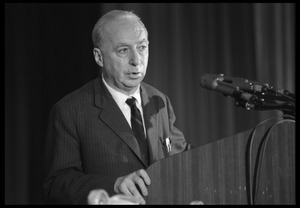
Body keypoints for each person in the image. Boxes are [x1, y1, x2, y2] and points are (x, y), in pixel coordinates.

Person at [43, 10, 193, 204]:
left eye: (142, 47)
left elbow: (183, 157)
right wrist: (113, 185)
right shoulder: (69, 111)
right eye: (123, 50)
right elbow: (57, 183)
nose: (136, 60)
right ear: (99, 57)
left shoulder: (158, 101)